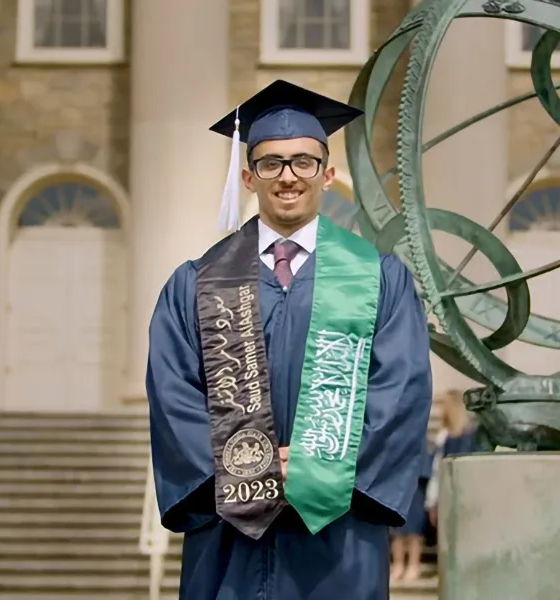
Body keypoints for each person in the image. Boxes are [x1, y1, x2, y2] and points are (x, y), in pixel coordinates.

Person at [146, 79, 433, 600]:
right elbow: (173, 397)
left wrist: (316, 463)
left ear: (327, 173)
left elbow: (401, 393)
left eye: (303, 161)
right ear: (249, 176)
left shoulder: (377, 278)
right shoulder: (195, 283)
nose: (288, 177)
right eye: (272, 163)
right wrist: (249, 466)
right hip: (228, 532)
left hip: (337, 531)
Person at [426, 389, 478, 527]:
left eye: (445, 404)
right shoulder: (450, 435)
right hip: (449, 492)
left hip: (455, 492)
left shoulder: (461, 437)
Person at [390, 441, 433, 582]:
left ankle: (414, 565)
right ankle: (398, 564)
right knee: (396, 528)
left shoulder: (420, 437)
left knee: (414, 529)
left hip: (416, 482)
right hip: (397, 480)